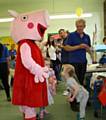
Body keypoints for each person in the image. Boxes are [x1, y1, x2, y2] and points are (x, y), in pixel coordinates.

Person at [8, 9, 49, 120]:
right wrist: (38, 69)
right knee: (29, 107)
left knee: (28, 107)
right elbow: (27, 61)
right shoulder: (25, 43)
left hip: (30, 79)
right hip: (28, 81)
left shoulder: (31, 43)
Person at [59, 19, 94, 85]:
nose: (79, 28)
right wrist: (79, 46)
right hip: (73, 62)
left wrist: (92, 56)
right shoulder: (71, 35)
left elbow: (88, 49)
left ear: (84, 26)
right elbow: (66, 48)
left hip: (83, 62)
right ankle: (74, 94)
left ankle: (80, 94)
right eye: (77, 26)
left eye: (81, 26)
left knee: (81, 81)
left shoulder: (87, 37)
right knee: (74, 82)